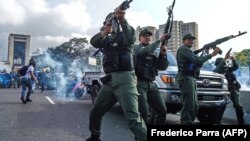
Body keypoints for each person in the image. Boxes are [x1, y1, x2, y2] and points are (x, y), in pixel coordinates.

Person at [85, 8, 147, 141]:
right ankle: (95, 136)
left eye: (113, 21)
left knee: (132, 117)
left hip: (125, 79)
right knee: (96, 112)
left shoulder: (124, 35)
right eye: (109, 22)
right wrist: (104, 32)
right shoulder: (106, 39)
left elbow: (131, 37)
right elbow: (93, 42)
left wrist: (122, 19)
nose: (112, 24)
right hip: (110, 80)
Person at [176, 33, 221, 124]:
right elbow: (198, 60)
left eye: (192, 39)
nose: (191, 41)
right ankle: (185, 122)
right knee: (189, 105)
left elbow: (198, 63)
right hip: (186, 79)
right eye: (189, 39)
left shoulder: (190, 52)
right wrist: (212, 54)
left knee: (195, 105)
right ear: (184, 41)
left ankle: (189, 121)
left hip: (191, 78)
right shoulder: (184, 49)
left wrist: (205, 52)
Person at [134, 29, 168, 125]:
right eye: (145, 36)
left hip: (151, 84)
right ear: (140, 38)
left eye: (149, 36)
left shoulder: (154, 51)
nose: (147, 37)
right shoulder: (136, 48)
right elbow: (144, 52)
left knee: (162, 109)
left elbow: (162, 67)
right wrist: (159, 41)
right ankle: (141, 136)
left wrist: (163, 53)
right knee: (143, 111)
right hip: (139, 83)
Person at [213, 56, 244, 125]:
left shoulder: (228, 69)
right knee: (221, 106)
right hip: (224, 91)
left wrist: (233, 60)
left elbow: (235, 67)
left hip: (233, 89)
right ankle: (218, 121)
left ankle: (241, 122)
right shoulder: (216, 71)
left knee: (237, 105)